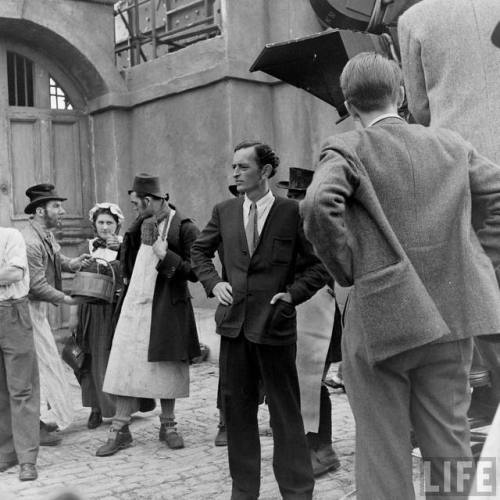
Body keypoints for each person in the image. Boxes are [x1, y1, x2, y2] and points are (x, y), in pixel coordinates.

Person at [301, 53, 500, 500]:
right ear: (403, 95)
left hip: (379, 320)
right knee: (450, 444)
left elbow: (316, 206)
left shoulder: (348, 148)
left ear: (349, 107)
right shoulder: (451, 144)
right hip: (452, 317)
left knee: (383, 448)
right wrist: (474, 259)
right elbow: (498, 192)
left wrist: (347, 269)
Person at [191, 140, 327, 500]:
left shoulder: (292, 212)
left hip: (276, 327)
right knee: (238, 416)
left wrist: (292, 295)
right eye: (233, 166)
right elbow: (199, 251)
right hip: (234, 329)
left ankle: (297, 492)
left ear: (265, 171)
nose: (235, 172)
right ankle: (244, 491)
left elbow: (319, 265)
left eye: (243, 167)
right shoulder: (224, 211)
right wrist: (213, 281)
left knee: (285, 417)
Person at [398, 0, 500, 422]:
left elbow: (420, 108)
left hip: (459, 168)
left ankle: (480, 393)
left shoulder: (413, 19)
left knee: (473, 286)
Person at [96, 173, 201, 456]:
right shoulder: (138, 227)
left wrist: (166, 256)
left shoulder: (183, 227)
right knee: (125, 363)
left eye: (136, 204)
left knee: (166, 365)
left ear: (149, 200)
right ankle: (120, 429)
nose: (133, 209)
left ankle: (168, 425)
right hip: (135, 305)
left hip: (167, 307)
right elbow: (128, 262)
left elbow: (197, 270)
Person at [276, 167, 342, 477]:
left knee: (316, 382)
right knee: (300, 383)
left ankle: (324, 448)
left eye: (300, 195)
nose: (295, 201)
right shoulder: (288, 225)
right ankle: (307, 442)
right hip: (297, 312)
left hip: (322, 313)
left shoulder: (322, 224)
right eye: (291, 195)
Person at [22, 184, 92, 445]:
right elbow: (36, 286)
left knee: (47, 364)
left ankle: (42, 420)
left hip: (37, 310)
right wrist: (67, 299)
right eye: (56, 206)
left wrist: (74, 263)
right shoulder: (30, 242)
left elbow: (58, 258)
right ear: (41, 210)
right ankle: (35, 426)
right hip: (25, 311)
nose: (62, 211)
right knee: (37, 368)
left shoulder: (45, 235)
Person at [70, 203, 124, 429]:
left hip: (112, 309)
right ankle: (94, 407)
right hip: (89, 310)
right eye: (100, 223)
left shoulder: (124, 247)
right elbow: (78, 283)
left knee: (111, 360)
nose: (104, 227)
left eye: (109, 223)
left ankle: (120, 408)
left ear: (117, 225)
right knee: (88, 359)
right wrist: (74, 315)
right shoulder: (89, 247)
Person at [0, 227, 39, 481]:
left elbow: (14, 272)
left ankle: (27, 459)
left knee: (21, 389)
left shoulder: (10, 236)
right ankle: (6, 452)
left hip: (13, 313)